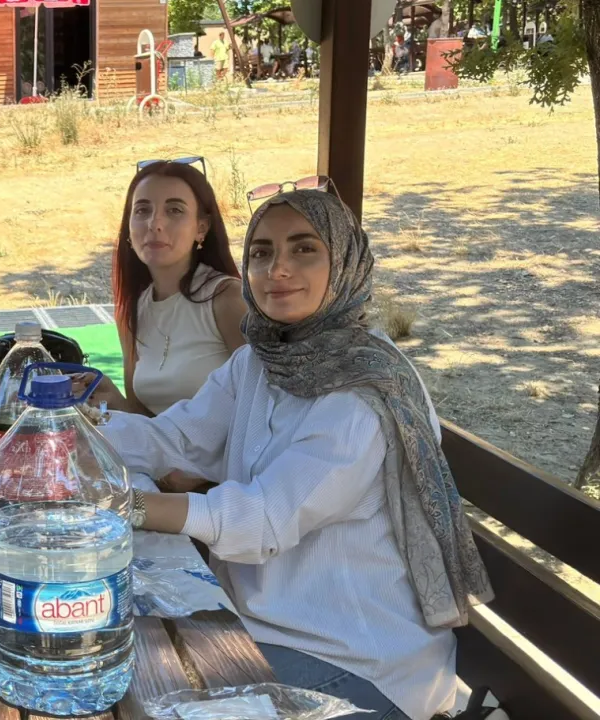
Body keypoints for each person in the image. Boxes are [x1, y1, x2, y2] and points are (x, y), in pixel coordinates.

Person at [100, 190, 494, 720]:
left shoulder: (363, 390)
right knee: (109, 651)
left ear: (345, 262)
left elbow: (265, 519)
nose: (277, 269)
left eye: (304, 249)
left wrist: (122, 505)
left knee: (135, 684)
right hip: (260, 627)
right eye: (261, 252)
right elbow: (175, 439)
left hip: (356, 660)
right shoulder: (262, 360)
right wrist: (60, 435)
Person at [89, 159, 247, 423]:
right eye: (142, 210)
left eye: (174, 210)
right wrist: (114, 399)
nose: (154, 223)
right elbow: (148, 423)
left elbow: (264, 409)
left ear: (201, 228)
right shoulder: (134, 310)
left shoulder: (227, 299)